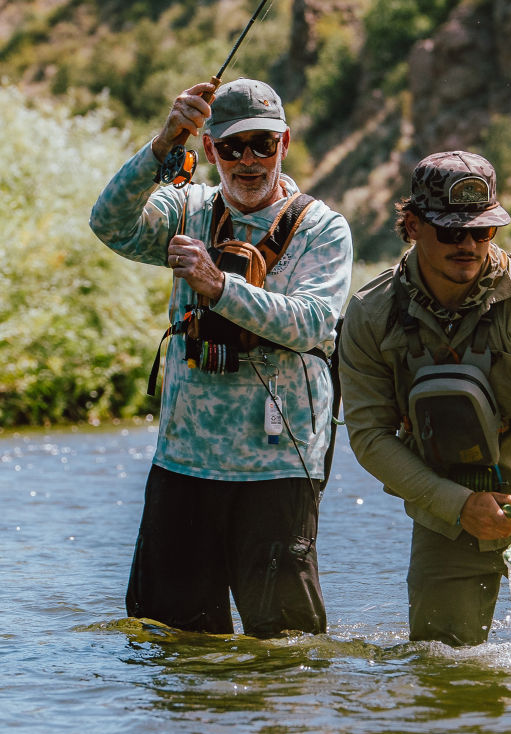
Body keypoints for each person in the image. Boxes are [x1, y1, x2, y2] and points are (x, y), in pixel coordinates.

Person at [90, 78, 352, 637]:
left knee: (286, 649)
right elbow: (108, 224)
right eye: (231, 147)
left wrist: (219, 288)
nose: (248, 160)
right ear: (209, 150)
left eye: (262, 144)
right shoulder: (185, 207)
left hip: (280, 468)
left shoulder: (324, 228)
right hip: (184, 464)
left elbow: (311, 324)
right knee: (170, 638)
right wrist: (163, 143)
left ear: (285, 143)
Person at [338, 151, 511, 647]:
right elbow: (368, 436)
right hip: (447, 516)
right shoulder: (370, 315)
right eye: (452, 232)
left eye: (483, 231)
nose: (469, 245)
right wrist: (459, 505)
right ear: (411, 225)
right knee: (440, 667)